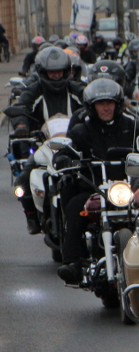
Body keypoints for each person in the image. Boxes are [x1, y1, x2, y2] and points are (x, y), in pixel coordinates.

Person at [54, 79, 139, 283]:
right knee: (75, 206)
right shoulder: (81, 131)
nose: (106, 107)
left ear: (118, 104)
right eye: (101, 103)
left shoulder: (134, 127)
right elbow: (66, 150)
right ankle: (74, 262)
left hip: (129, 187)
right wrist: (63, 158)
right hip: (94, 188)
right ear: (92, 106)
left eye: (110, 103)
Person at [9, 46, 84, 235]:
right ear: (43, 72)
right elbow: (22, 106)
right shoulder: (35, 92)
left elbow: (90, 103)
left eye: (59, 72)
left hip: (73, 145)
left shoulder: (76, 91)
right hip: (45, 145)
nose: (56, 76)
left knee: (89, 175)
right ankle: (31, 216)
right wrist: (21, 126)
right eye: (52, 72)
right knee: (23, 180)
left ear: (67, 72)